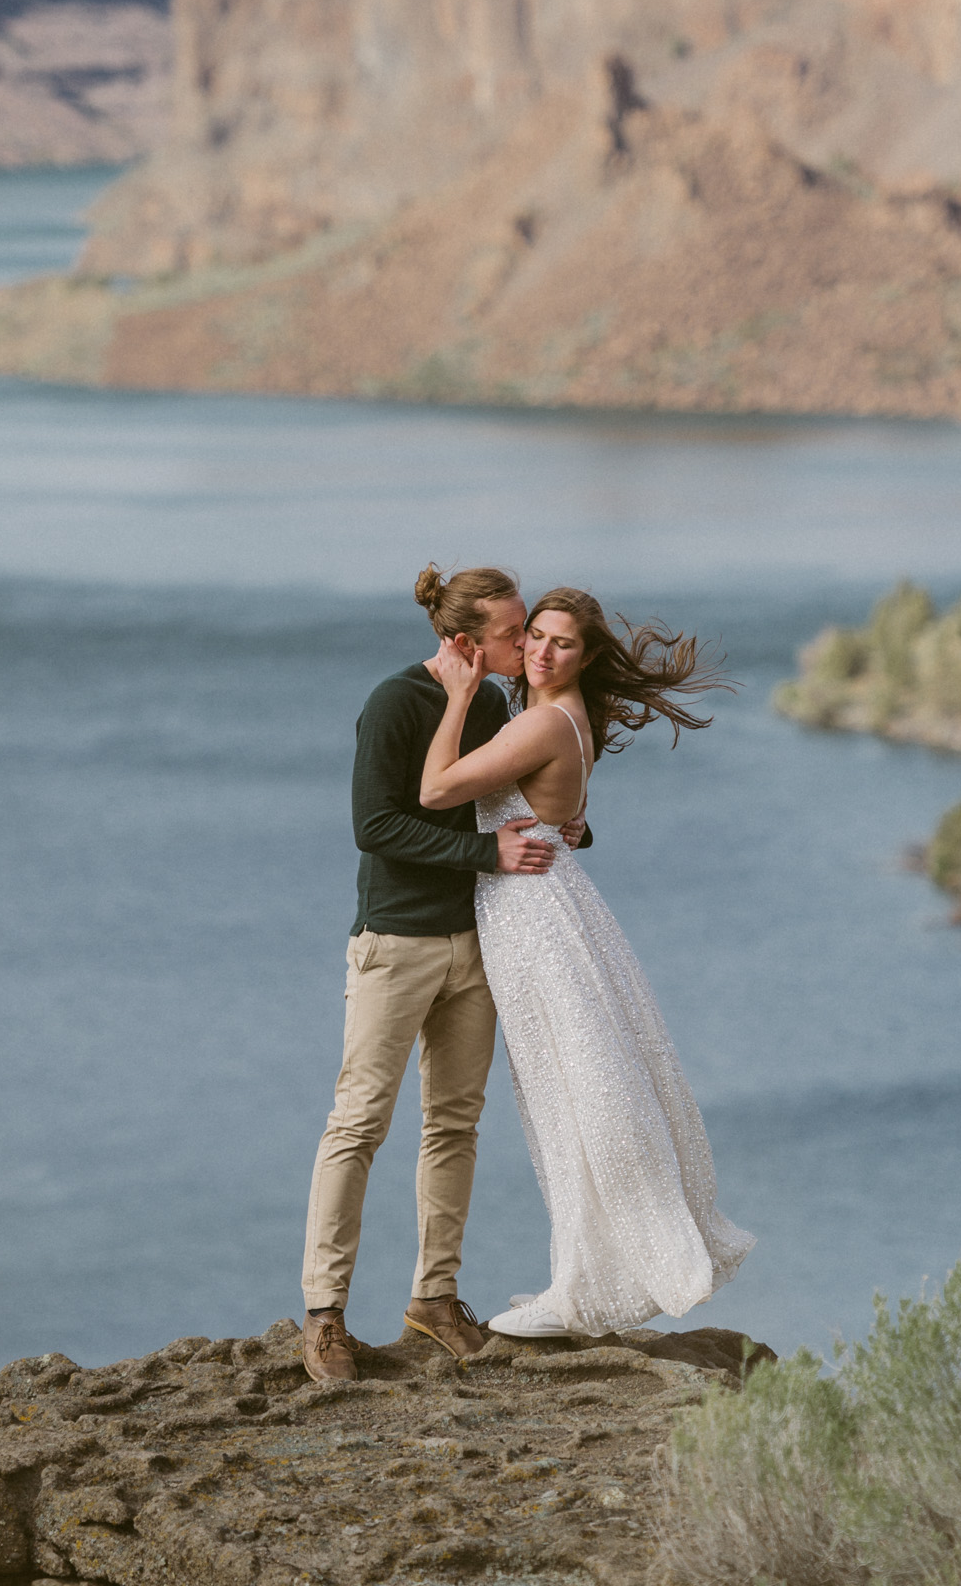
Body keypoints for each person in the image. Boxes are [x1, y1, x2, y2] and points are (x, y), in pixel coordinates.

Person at [420, 585, 754, 1338]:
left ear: (586, 655)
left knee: (571, 1097)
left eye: (560, 643)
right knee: (571, 1092)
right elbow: (558, 813)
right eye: (533, 635)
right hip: (548, 901)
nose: (539, 651)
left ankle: (583, 1289)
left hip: (532, 914)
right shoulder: (569, 718)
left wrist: (455, 693)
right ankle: (583, 1273)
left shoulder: (542, 720)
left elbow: (437, 789)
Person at [299, 564, 588, 1383]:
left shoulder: (496, 702)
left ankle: (434, 1299)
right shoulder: (395, 702)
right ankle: (324, 1316)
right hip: (396, 942)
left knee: (455, 1123)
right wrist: (482, 853)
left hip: (479, 941)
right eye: (512, 633)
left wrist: (561, 826)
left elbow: (498, 798)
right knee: (357, 1125)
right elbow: (374, 824)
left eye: (532, 629)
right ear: (464, 642)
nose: (526, 644)